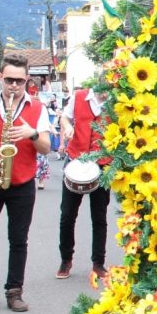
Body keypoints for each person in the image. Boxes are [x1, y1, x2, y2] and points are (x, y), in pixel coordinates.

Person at [0, 53, 51, 312]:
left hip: (22, 182)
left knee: (18, 239)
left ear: (27, 80)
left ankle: (14, 291)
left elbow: (46, 148)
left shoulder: (37, 108)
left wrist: (33, 133)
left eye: (20, 81)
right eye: (10, 80)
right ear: (0, 77)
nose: (14, 86)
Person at [56, 84, 111, 279]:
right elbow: (64, 116)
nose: (106, 91)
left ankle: (98, 263)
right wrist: (68, 125)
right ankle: (65, 259)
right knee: (67, 215)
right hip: (75, 161)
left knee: (99, 217)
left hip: (102, 164)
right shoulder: (79, 96)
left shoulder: (117, 101)